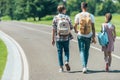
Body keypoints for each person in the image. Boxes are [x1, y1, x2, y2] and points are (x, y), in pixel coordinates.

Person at [74, 2, 96, 73]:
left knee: (81, 51)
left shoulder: (78, 15)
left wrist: (76, 31)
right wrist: (93, 37)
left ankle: (83, 66)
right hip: (88, 35)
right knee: (86, 51)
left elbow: (75, 25)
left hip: (81, 35)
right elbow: (93, 28)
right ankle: (85, 66)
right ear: (87, 7)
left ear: (81, 7)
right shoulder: (91, 15)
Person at [52, 5, 73, 72]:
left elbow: (53, 29)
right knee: (66, 51)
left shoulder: (55, 18)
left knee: (59, 52)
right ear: (63, 10)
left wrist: (53, 39)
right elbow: (71, 27)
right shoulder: (67, 17)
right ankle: (66, 61)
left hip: (58, 38)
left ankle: (61, 67)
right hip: (66, 37)